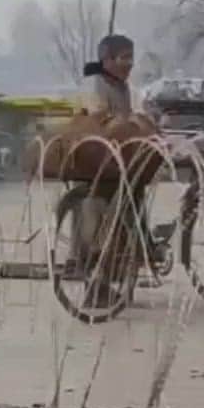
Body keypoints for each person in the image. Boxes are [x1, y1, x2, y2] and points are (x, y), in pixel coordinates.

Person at [69, 35, 153, 309]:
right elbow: (99, 119)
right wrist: (126, 124)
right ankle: (96, 287)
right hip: (94, 165)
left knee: (130, 215)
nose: (129, 63)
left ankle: (122, 280)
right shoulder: (94, 84)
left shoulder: (124, 88)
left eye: (131, 57)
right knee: (98, 227)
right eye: (123, 57)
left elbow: (131, 118)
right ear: (107, 59)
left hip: (119, 162)